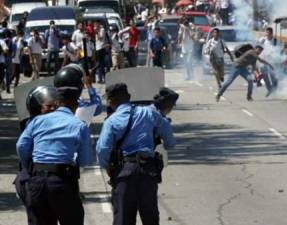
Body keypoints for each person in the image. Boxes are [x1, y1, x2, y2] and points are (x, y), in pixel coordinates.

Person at [16, 66, 93, 225]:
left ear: (57, 100)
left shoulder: (37, 120)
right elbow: (85, 160)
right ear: (76, 101)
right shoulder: (79, 125)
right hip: (62, 182)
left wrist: (30, 168)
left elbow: (21, 146)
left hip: (36, 181)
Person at [96, 83, 176, 225]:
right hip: (148, 171)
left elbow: (102, 149)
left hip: (124, 172)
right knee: (150, 217)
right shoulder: (148, 113)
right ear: (128, 97)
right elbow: (168, 136)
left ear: (111, 102)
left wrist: (107, 167)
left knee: (123, 219)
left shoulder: (111, 121)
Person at [14, 86, 58, 225]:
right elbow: (21, 147)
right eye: (48, 106)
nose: (52, 109)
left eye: (54, 106)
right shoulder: (32, 123)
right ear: (37, 107)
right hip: (35, 177)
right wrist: (28, 168)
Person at [0, 28, 8, 100]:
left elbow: (6, 49)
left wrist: (2, 51)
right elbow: (6, 50)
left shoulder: (1, 41)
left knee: (1, 77)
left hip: (1, 62)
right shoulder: (2, 41)